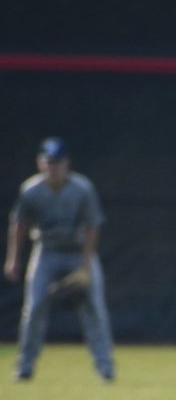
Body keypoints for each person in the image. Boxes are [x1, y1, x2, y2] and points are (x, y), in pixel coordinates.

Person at [3, 137, 115, 382]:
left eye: (58, 162)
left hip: (78, 252)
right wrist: (13, 259)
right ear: (40, 163)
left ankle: (105, 367)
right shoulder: (31, 190)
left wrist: (85, 266)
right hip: (47, 251)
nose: (53, 167)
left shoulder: (82, 188)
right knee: (34, 308)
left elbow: (93, 226)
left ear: (67, 164)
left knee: (94, 307)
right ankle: (25, 366)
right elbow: (19, 224)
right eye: (49, 162)